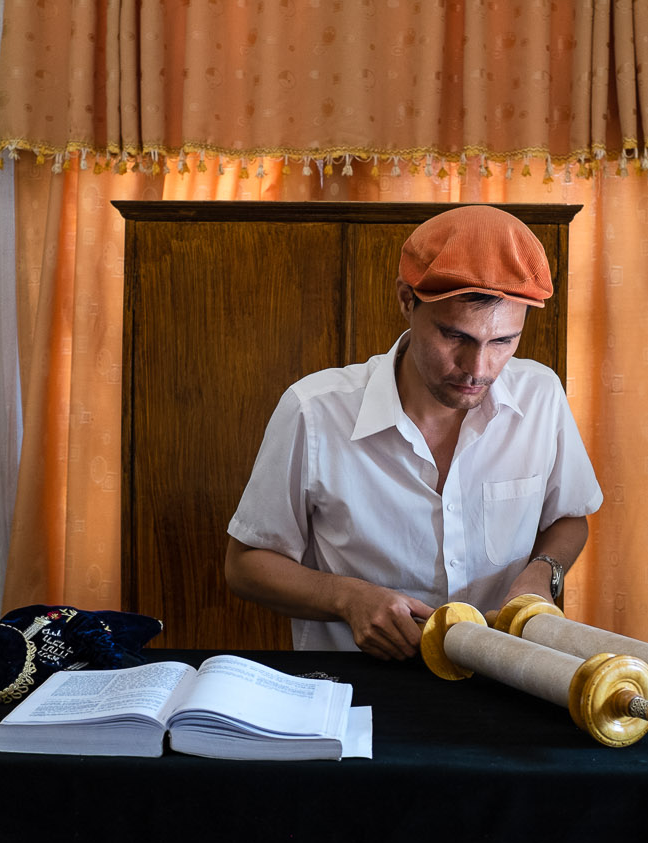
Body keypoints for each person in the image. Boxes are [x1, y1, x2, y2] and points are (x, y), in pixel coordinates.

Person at [224, 204, 604, 660]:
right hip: (358, 683)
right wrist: (348, 599)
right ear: (407, 300)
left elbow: (568, 517)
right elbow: (244, 565)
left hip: (505, 672)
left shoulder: (541, 395)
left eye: (503, 342)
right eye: (455, 337)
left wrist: (543, 572)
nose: (477, 369)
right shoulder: (314, 411)